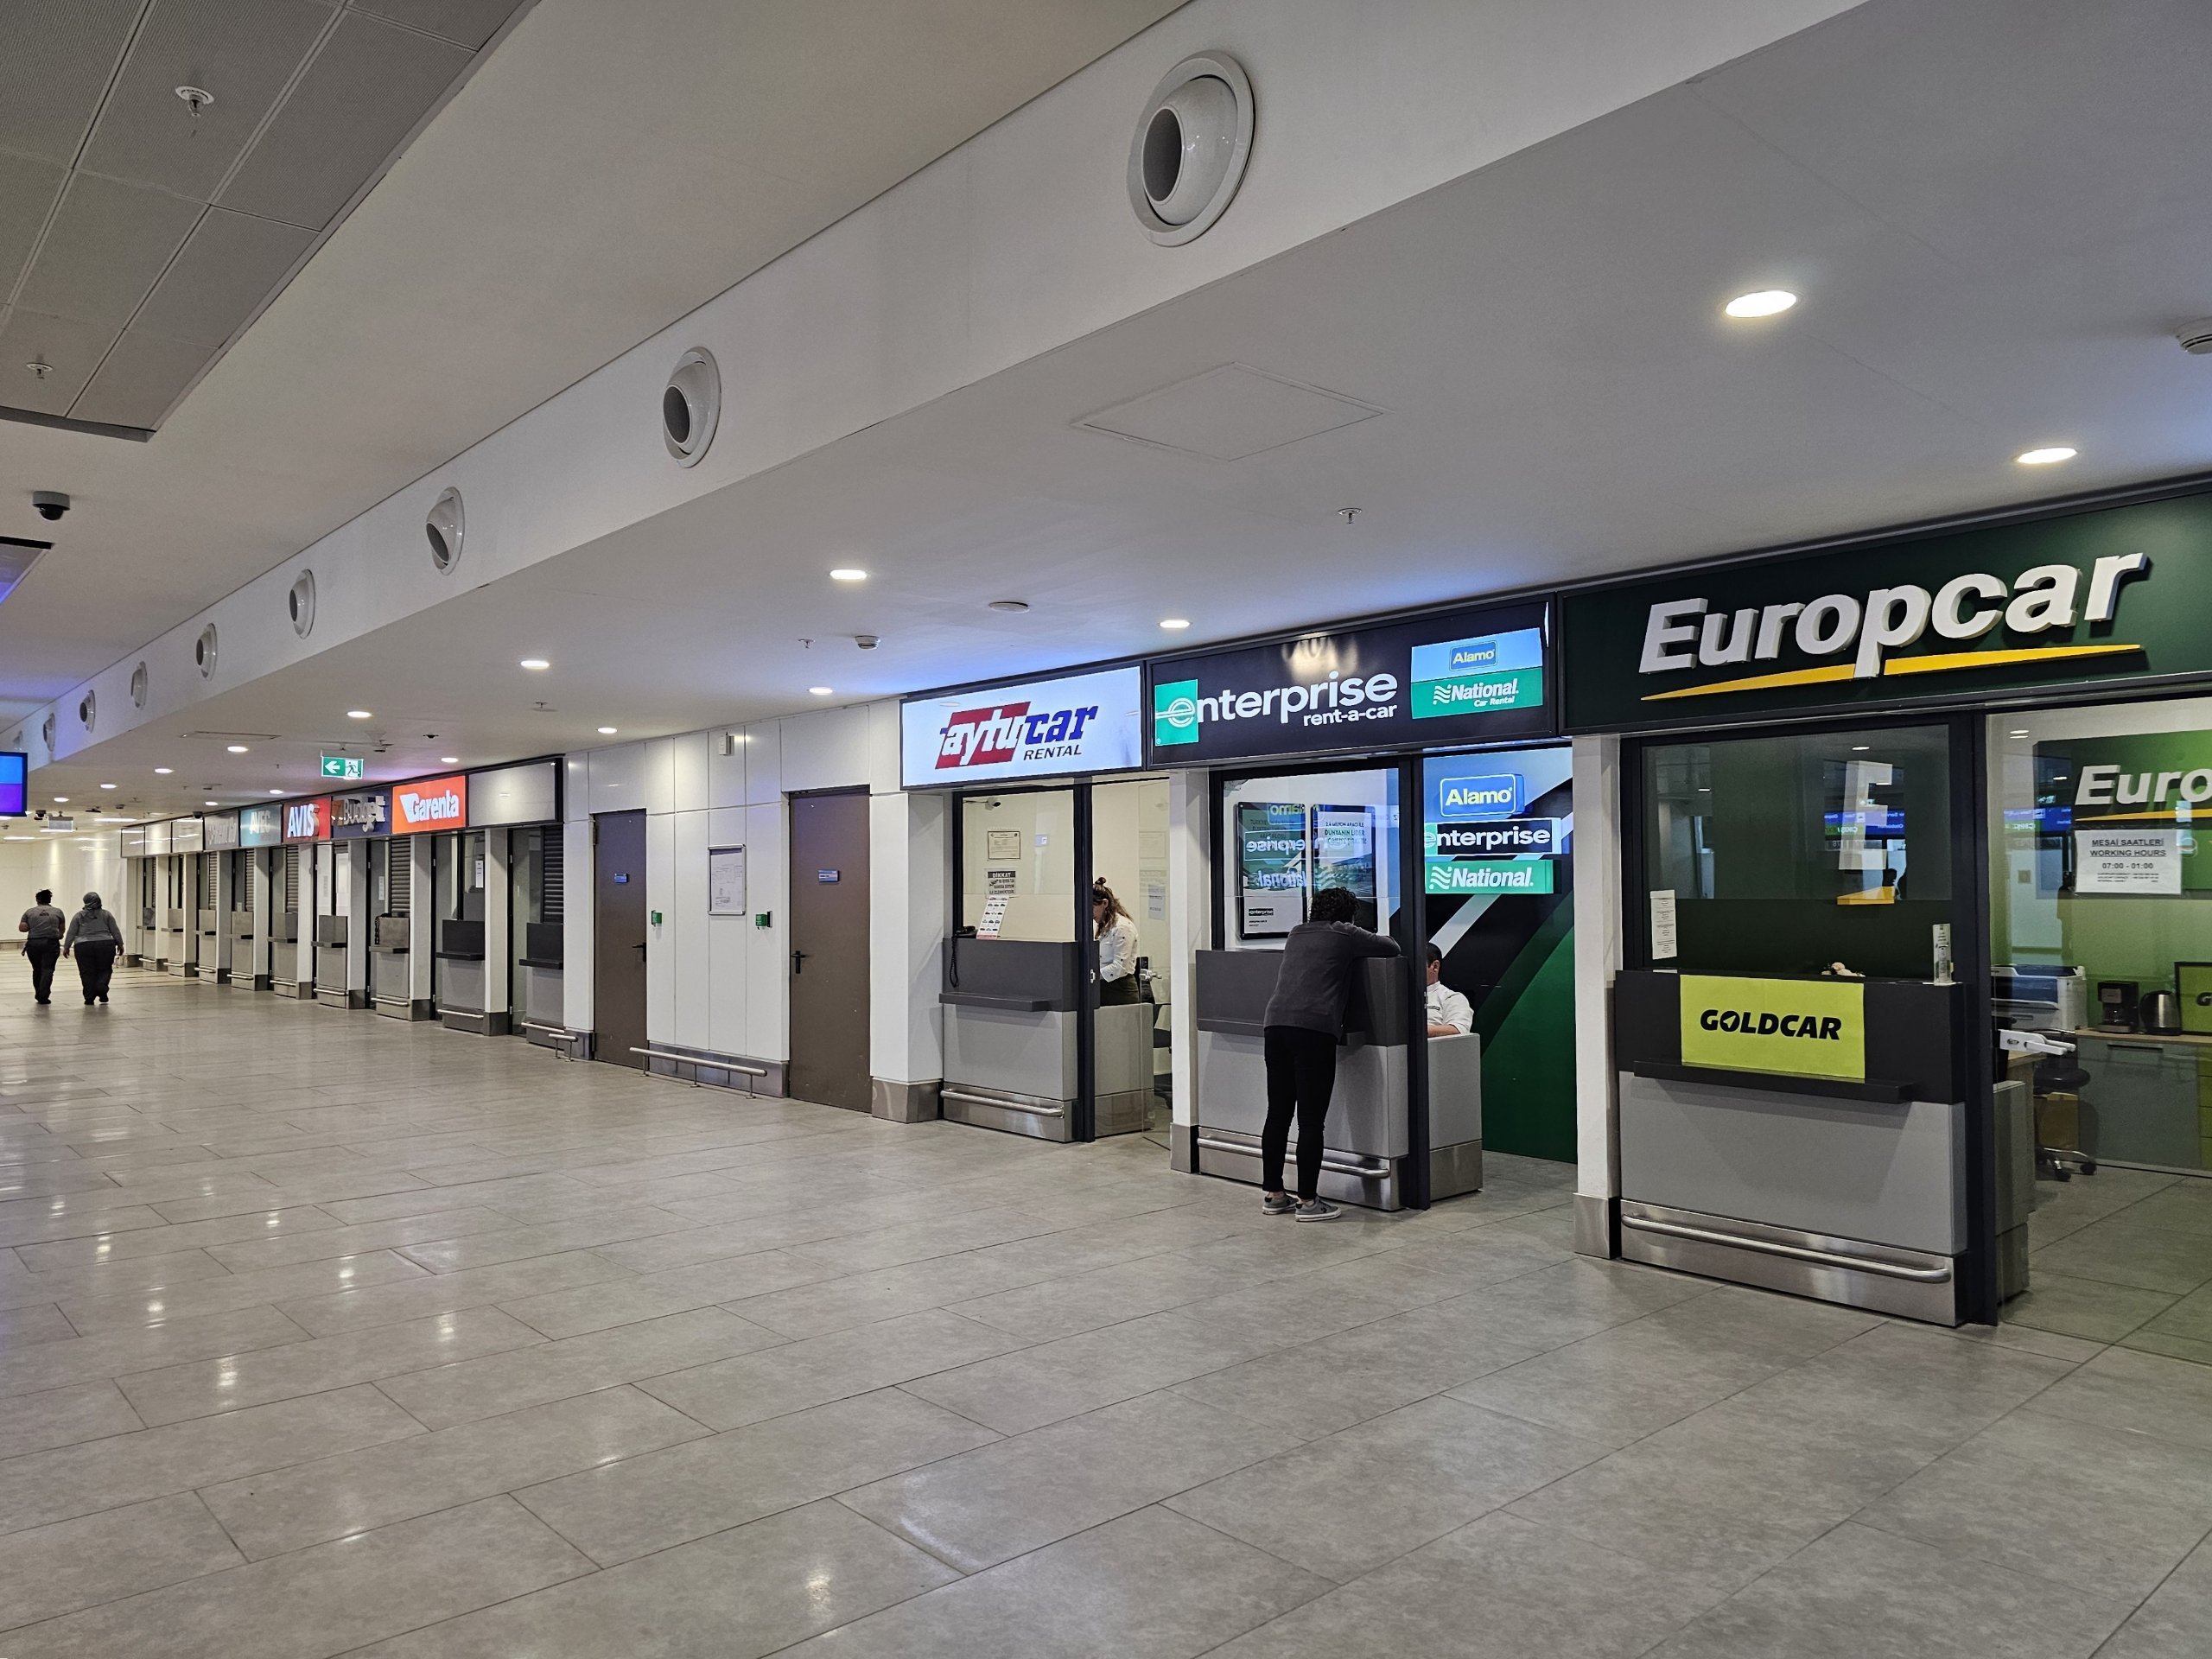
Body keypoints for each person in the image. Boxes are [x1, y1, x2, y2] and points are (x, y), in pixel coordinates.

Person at [1260, 884, 1402, 1221]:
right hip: (1313, 1029)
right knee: (1311, 1121)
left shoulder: (1297, 933)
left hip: (1275, 1025)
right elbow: (1392, 947)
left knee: (1278, 1114)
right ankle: (1308, 1202)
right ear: (1348, 914)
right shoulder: (1345, 933)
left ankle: (1274, 1195)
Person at [61, 891, 124, 1007]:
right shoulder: (106, 915)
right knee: (105, 969)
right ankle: (102, 988)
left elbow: (72, 932)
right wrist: (120, 944)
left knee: (86, 972)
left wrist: (66, 947)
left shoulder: (79, 916)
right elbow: (115, 930)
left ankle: (89, 997)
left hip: (83, 946)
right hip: (105, 944)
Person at [1092, 879, 1144, 1006]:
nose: (1090, 913)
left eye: (1092, 908)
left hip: (1120, 992)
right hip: (1104, 988)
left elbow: (1120, 967)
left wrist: (1092, 976)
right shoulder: (1105, 927)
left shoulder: (1122, 927)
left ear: (1105, 903)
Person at [17, 888, 66, 1005]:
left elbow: (22, 928)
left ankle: (38, 993)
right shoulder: (58, 912)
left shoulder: (29, 912)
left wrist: (34, 925)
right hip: (51, 944)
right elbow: (61, 932)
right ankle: (44, 995)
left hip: (33, 944)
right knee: (48, 969)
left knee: (37, 969)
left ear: (37, 900)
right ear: (49, 900)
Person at [1425, 943, 1472, 1037]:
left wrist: (1413, 1031)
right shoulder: (1396, 996)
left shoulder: (1452, 998)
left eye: (1415, 965)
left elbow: (1458, 1029)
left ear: (1435, 966)